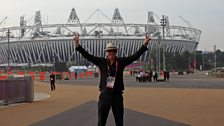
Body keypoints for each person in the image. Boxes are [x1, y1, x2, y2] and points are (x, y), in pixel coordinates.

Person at [73, 33, 151, 126]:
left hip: (117, 96)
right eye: (109, 51)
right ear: (106, 52)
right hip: (105, 95)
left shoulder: (121, 62)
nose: (111, 53)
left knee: (119, 122)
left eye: (113, 51)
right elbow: (87, 55)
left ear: (116, 52)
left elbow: (135, 56)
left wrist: (145, 44)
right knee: (101, 122)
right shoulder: (101, 62)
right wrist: (77, 44)